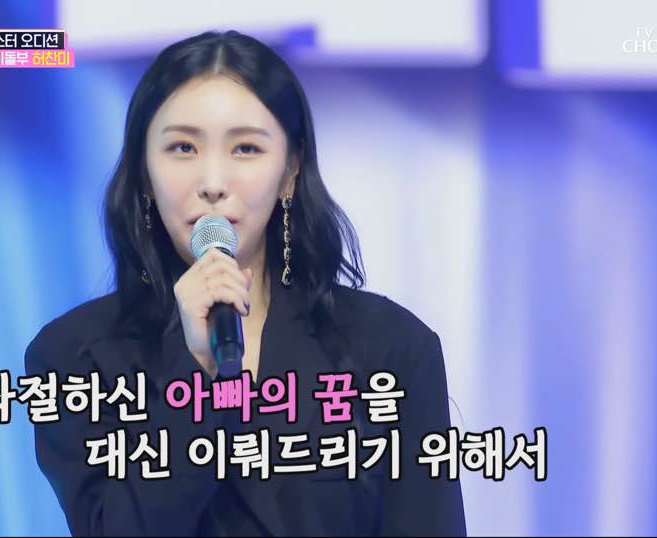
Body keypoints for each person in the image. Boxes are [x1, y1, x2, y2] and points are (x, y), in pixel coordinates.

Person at [25, 29, 466, 537]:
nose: (213, 182)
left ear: (290, 170)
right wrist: (195, 373)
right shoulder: (73, 358)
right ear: (144, 171)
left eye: (246, 149)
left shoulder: (391, 349)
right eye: (183, 147)